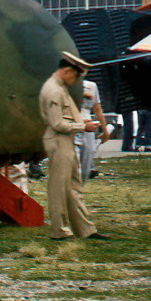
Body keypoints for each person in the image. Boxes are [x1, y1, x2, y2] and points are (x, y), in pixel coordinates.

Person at [40, 52, 105, 241]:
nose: (77, 80)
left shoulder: (60, 88)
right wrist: (83, 126)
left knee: (73, 187)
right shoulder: (53, 90)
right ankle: (59, 231)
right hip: (58, 140)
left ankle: (85, 229)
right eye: (76, 75)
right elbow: (56, 124)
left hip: (66, 141)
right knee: (59, 188)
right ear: (67, 71)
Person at [75, 77, 110, 183]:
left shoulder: (91, 86)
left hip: (88, 126)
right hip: (71, 125)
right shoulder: (63, 85)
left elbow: (97, 109)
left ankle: (79, 188)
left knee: (86, 160)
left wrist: (104, 130)